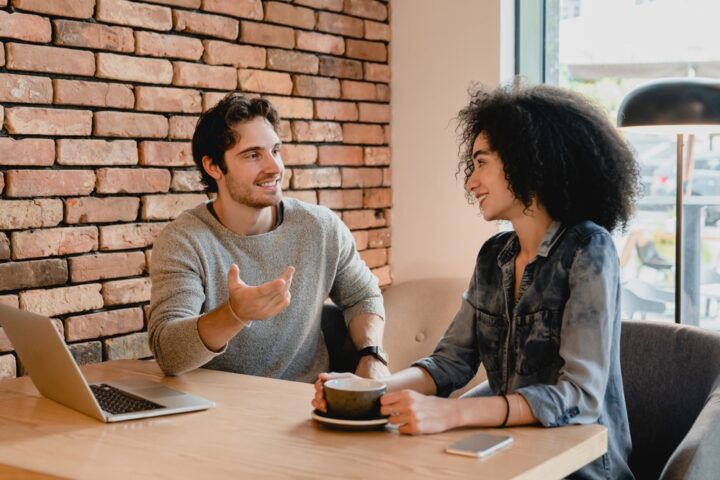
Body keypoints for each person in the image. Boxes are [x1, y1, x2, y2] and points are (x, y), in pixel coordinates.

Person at [313, 83, 640, 479]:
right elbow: (449, 364)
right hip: (504, 454)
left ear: (527, 161)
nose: (470, 182)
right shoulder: (493, 256)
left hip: (579, 466)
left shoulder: (589, 249)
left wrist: (454, 412)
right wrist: (365, 392)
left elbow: (581, 398)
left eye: (481, 163)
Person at [148, 93, 389, 382]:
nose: (274, 167)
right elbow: (168, 354)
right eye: (253, 155)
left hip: (306, 404)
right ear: (213, 167)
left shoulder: (321, 227)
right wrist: (234, 314)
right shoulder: (184, 241)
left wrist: (372, 354)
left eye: (275, 150)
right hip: (217, 412)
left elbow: (362, 296)